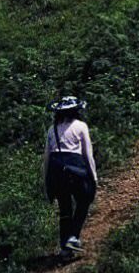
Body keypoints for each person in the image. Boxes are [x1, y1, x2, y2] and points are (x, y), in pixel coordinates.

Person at [43, 95, 97, 257]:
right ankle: (73, 236)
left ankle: (65, 249)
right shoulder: (80, 126)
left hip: (55, 171)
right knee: (84, 200)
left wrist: (47, 181)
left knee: (65, 209)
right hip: (75, 169)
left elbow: (46, 158)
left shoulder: (52, 129)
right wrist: (93, 176)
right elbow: (88, 154)